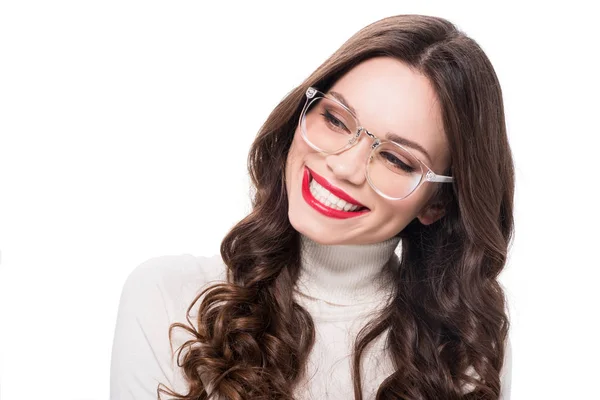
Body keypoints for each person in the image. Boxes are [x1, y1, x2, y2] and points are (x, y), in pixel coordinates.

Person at [110, 14, 514, 400]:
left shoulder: (466, 348)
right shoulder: (169, 301)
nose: (344, 165)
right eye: (336, 120)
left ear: (437, 203)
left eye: (397, 159)